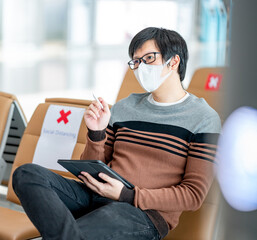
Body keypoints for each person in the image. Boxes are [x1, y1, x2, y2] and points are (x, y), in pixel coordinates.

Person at [12, 27, 221, 240]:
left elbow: (193, 195)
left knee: (94, 223)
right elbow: (92, 168)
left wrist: (127, 195)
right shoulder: (124, 107)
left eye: (148, 58)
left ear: (173, 61)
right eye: (136, 61)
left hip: (143, 214)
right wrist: (96, 133)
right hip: (95, 195)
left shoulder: (203, 119)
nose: (141, 67)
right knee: (27, 174)